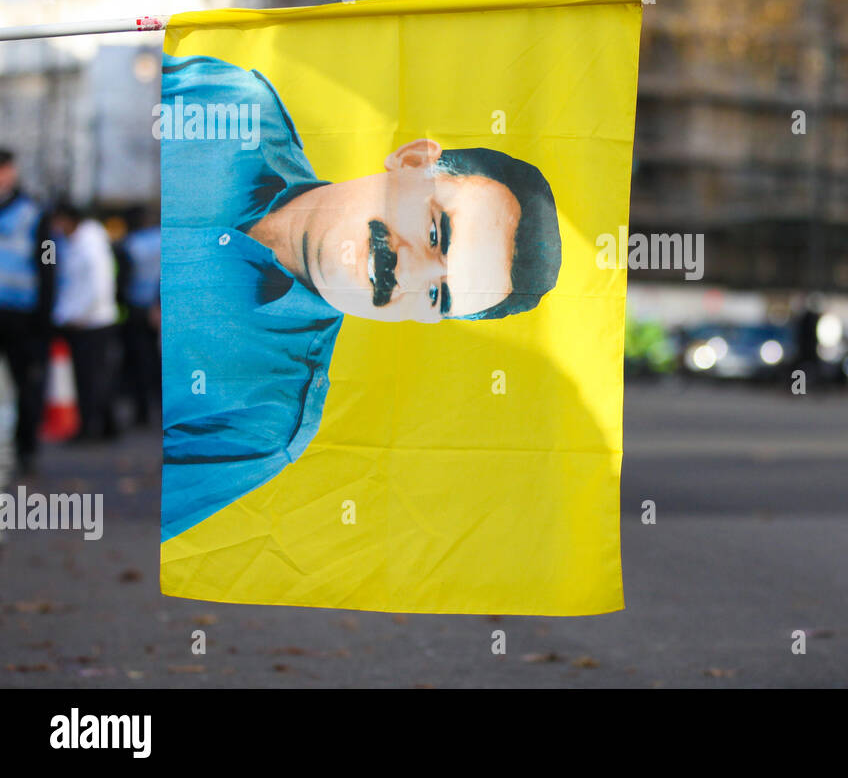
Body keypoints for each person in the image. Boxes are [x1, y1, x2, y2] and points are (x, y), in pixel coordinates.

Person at [160, 54, 562, 541]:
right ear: (412, 160)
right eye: (437, 231)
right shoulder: (229, 104)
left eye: (438, 294)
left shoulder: (263, 424)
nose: (410, 271)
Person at [0, 149, 55, 475]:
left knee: (28, 385)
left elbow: (48, 264)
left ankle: (26, 450)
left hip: (23, 315)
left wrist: (44, 317)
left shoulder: (34, 213)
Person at [50, 202, 120, 442]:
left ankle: (91, 428)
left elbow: (98, 284)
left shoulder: (90, 243)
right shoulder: (75, 242)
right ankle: (107, 426)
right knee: (95, 376)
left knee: (90, 378)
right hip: (83, 318)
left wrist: (80, 313)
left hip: (91, 321)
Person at [117, 207, 162, 426]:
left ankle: (142, 411)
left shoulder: (130, 243)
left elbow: (121, 278)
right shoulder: (166, 239)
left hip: (135, 308)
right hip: (162, 307)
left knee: (139, 362)